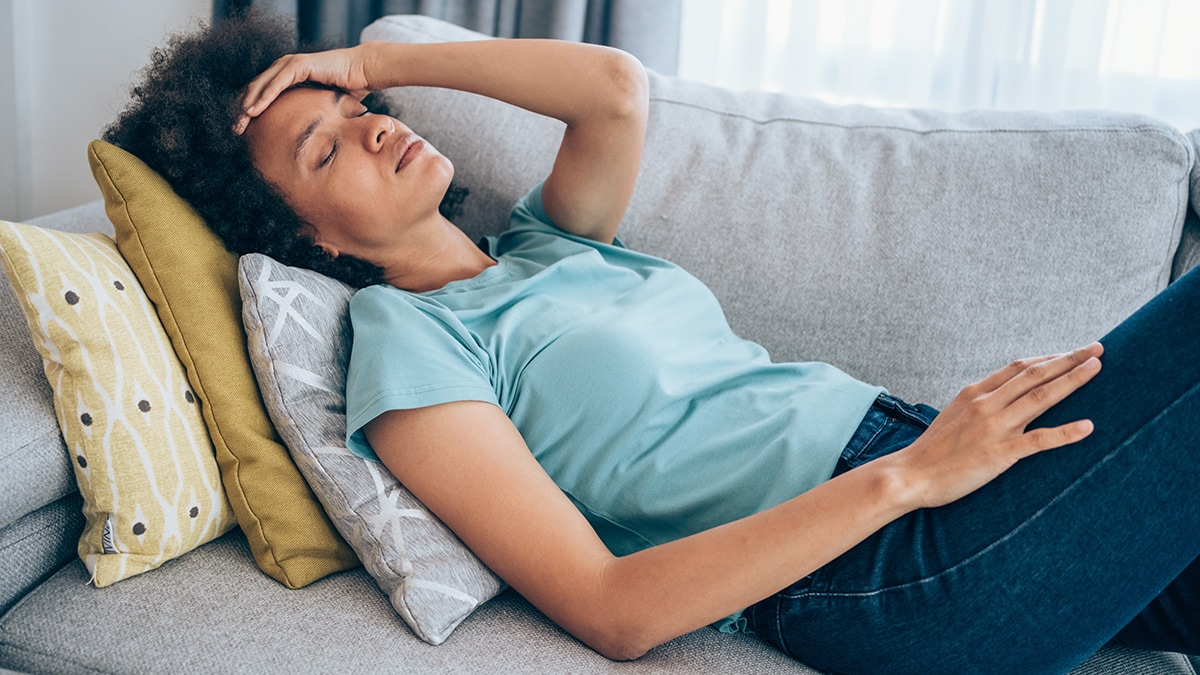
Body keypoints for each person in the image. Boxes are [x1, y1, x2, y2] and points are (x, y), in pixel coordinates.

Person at [106, 13, 1200, 675]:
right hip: (883, 565)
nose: (377, 122)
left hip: (940, 472)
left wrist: (367, 55)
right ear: (302, 233)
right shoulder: (410, 351)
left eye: (361, 103)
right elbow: (609, 607)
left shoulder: (542, 247)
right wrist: (911, 476)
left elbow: (614, 93)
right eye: (325, 147)